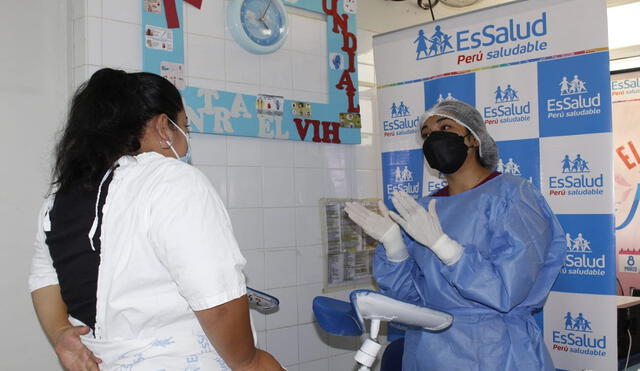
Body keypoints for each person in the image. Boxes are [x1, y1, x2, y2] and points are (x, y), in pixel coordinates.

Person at [29, 68, 284, 371]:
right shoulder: (172, 180)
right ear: (165, 126)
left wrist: (61, 334)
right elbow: (217, 302)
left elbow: (46, 278)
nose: (186, 141)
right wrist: (250, 361)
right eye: (185, 127)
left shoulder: (60, 198)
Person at [345, 100, 565, 370]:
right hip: (427, 352)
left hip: (494, 351)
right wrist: (395, 249)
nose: (433, 138)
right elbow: (411, 301)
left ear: (473, 139)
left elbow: (507, 294)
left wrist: (445, 247)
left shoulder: (512, 196)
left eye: (445, 126)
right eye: (426, 134)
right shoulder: (423, 209)